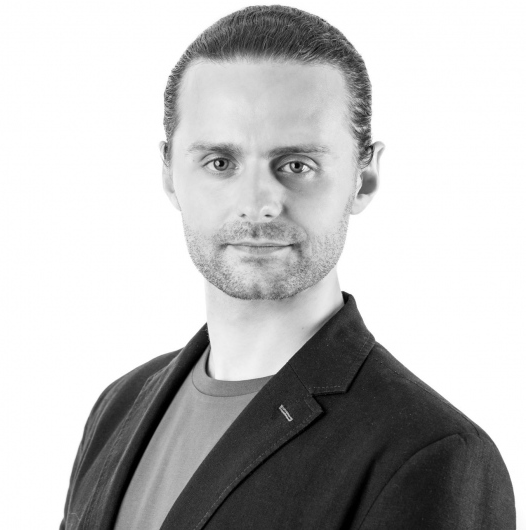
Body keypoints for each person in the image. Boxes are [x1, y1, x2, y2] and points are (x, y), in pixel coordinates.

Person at [60, 5, 515, 529]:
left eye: (298, 164)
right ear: (169, 175)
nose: (258, 203)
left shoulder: (431, 454)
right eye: (220, 163)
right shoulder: (118, 407)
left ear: (364, 177)